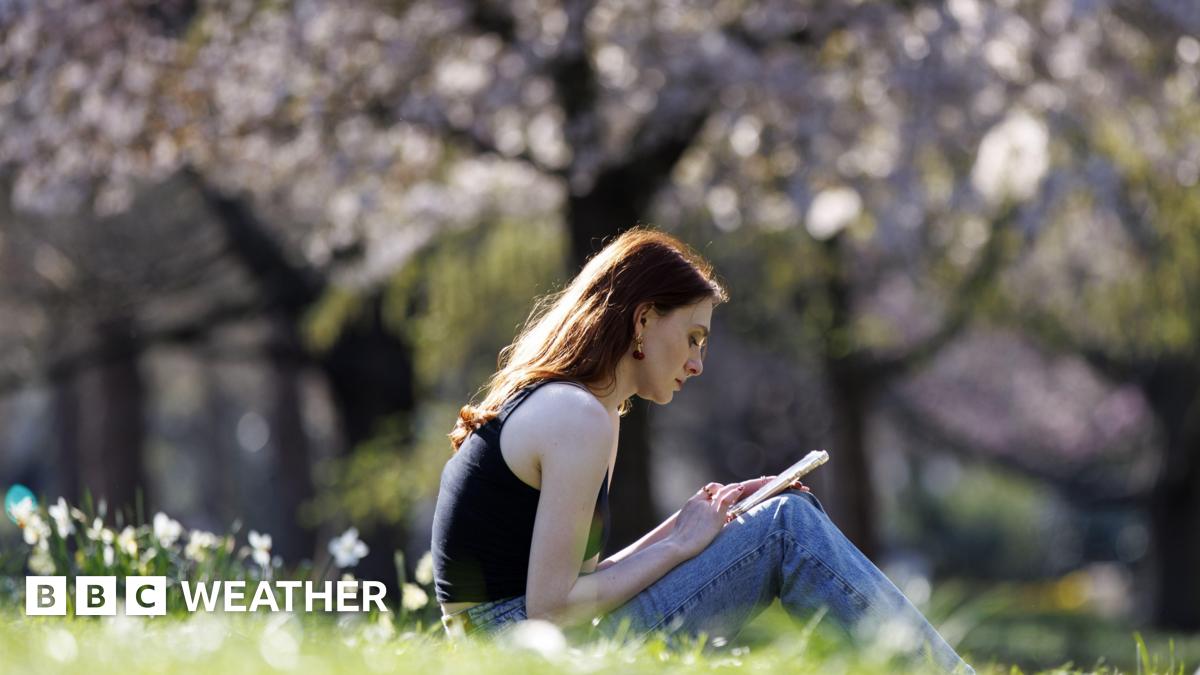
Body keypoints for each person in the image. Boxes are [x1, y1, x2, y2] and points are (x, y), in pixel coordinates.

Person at [430, 227, 973, 673]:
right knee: (786, 527)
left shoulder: (576, 408)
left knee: (773, 516)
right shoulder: (578, 417)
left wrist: (692, 527)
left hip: (512, 648)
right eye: (692, 337)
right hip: (523, 657)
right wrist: (677, 548)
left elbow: (573, 590)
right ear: (642, 320)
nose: (697, 363)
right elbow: (552, 609)